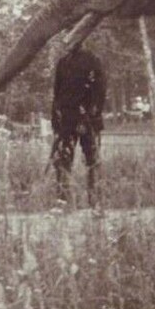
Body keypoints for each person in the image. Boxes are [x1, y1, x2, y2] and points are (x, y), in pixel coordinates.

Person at [51, 40, 106, 211]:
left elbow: (99, 93)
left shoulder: (93, 62)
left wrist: (89, 117)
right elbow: (57, 94)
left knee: (93, 160)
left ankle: (96, 203)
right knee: (62, 160)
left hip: (88, 120)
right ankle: (63, 202)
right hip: (66, 121)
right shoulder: (63, 62)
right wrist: (56, 120)